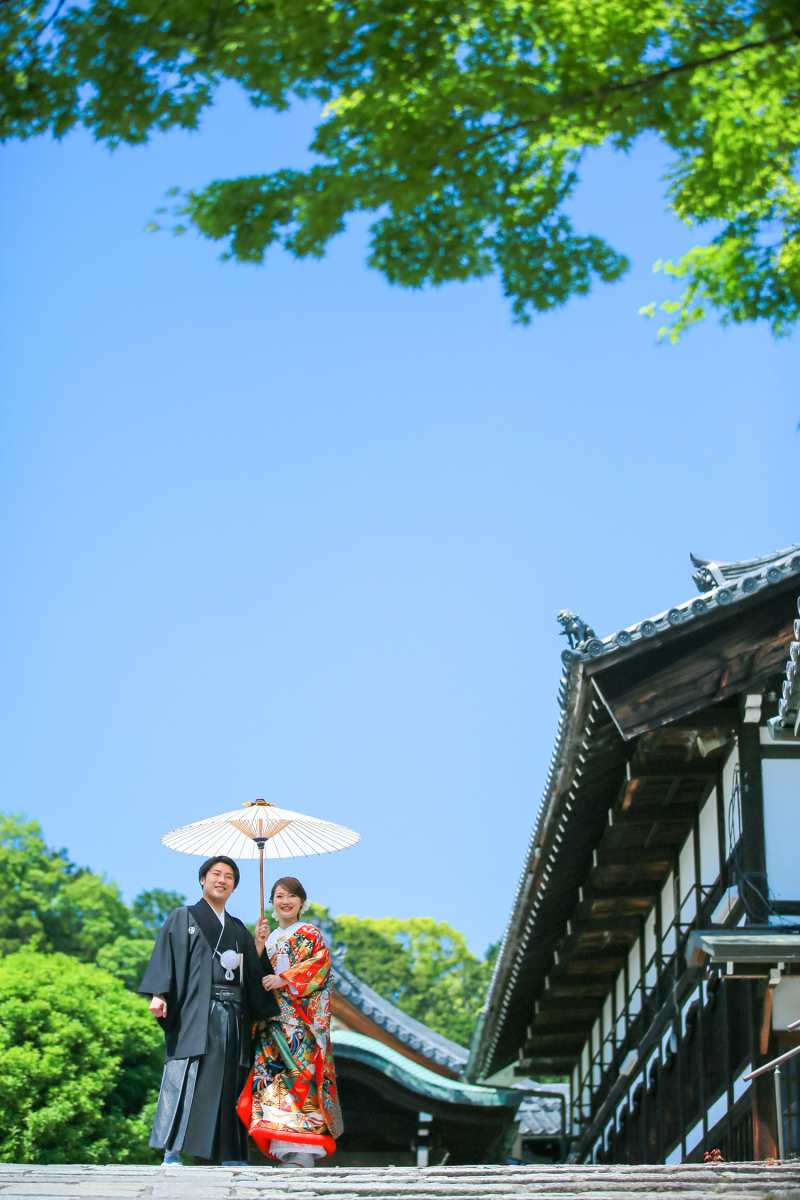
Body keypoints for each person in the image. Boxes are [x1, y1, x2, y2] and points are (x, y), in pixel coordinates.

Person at [139, 855, 279, 1166]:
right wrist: (159, 993)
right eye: (216, 874)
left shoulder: (238, 928)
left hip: (233, 1015)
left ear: (233, 887)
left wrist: (257, 945)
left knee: (232, 1080)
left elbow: (252, 973)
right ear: (203, 880)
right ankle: (172, 1152)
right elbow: (166, 955)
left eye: (229, 877)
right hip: (195, 1010)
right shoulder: (183, 917)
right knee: (185, 1073)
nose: (222, 880)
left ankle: (231, 1154)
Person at [237, 876, 343, 1168]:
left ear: (301, 901)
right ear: (271, 903)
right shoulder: (267, 938)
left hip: (299, 1024)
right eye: (279, 896)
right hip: (270, 1025)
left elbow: (319, 967)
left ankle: (304, 1151)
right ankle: (286, 1151)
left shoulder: (310, 934)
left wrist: (283, 978)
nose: (286, 901)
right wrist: (258, 946)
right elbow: (251, 978)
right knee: (273, 1083)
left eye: (292, 896)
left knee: (300, 1079)